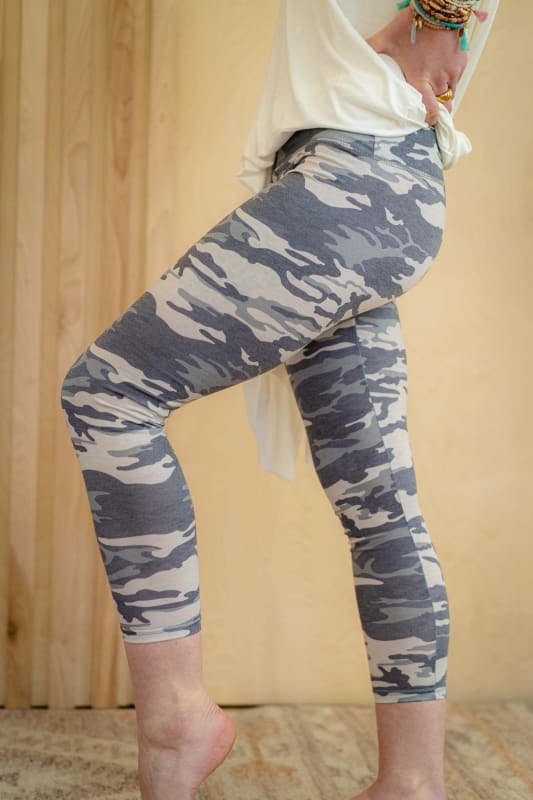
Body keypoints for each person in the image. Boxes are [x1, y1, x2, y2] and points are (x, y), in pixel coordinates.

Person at [59, 2, 498, 798]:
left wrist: (439, 19)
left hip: (351, 180)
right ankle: (411, 783)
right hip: (378, 182)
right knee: (380, 507)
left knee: (109, 393)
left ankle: (177, 719)